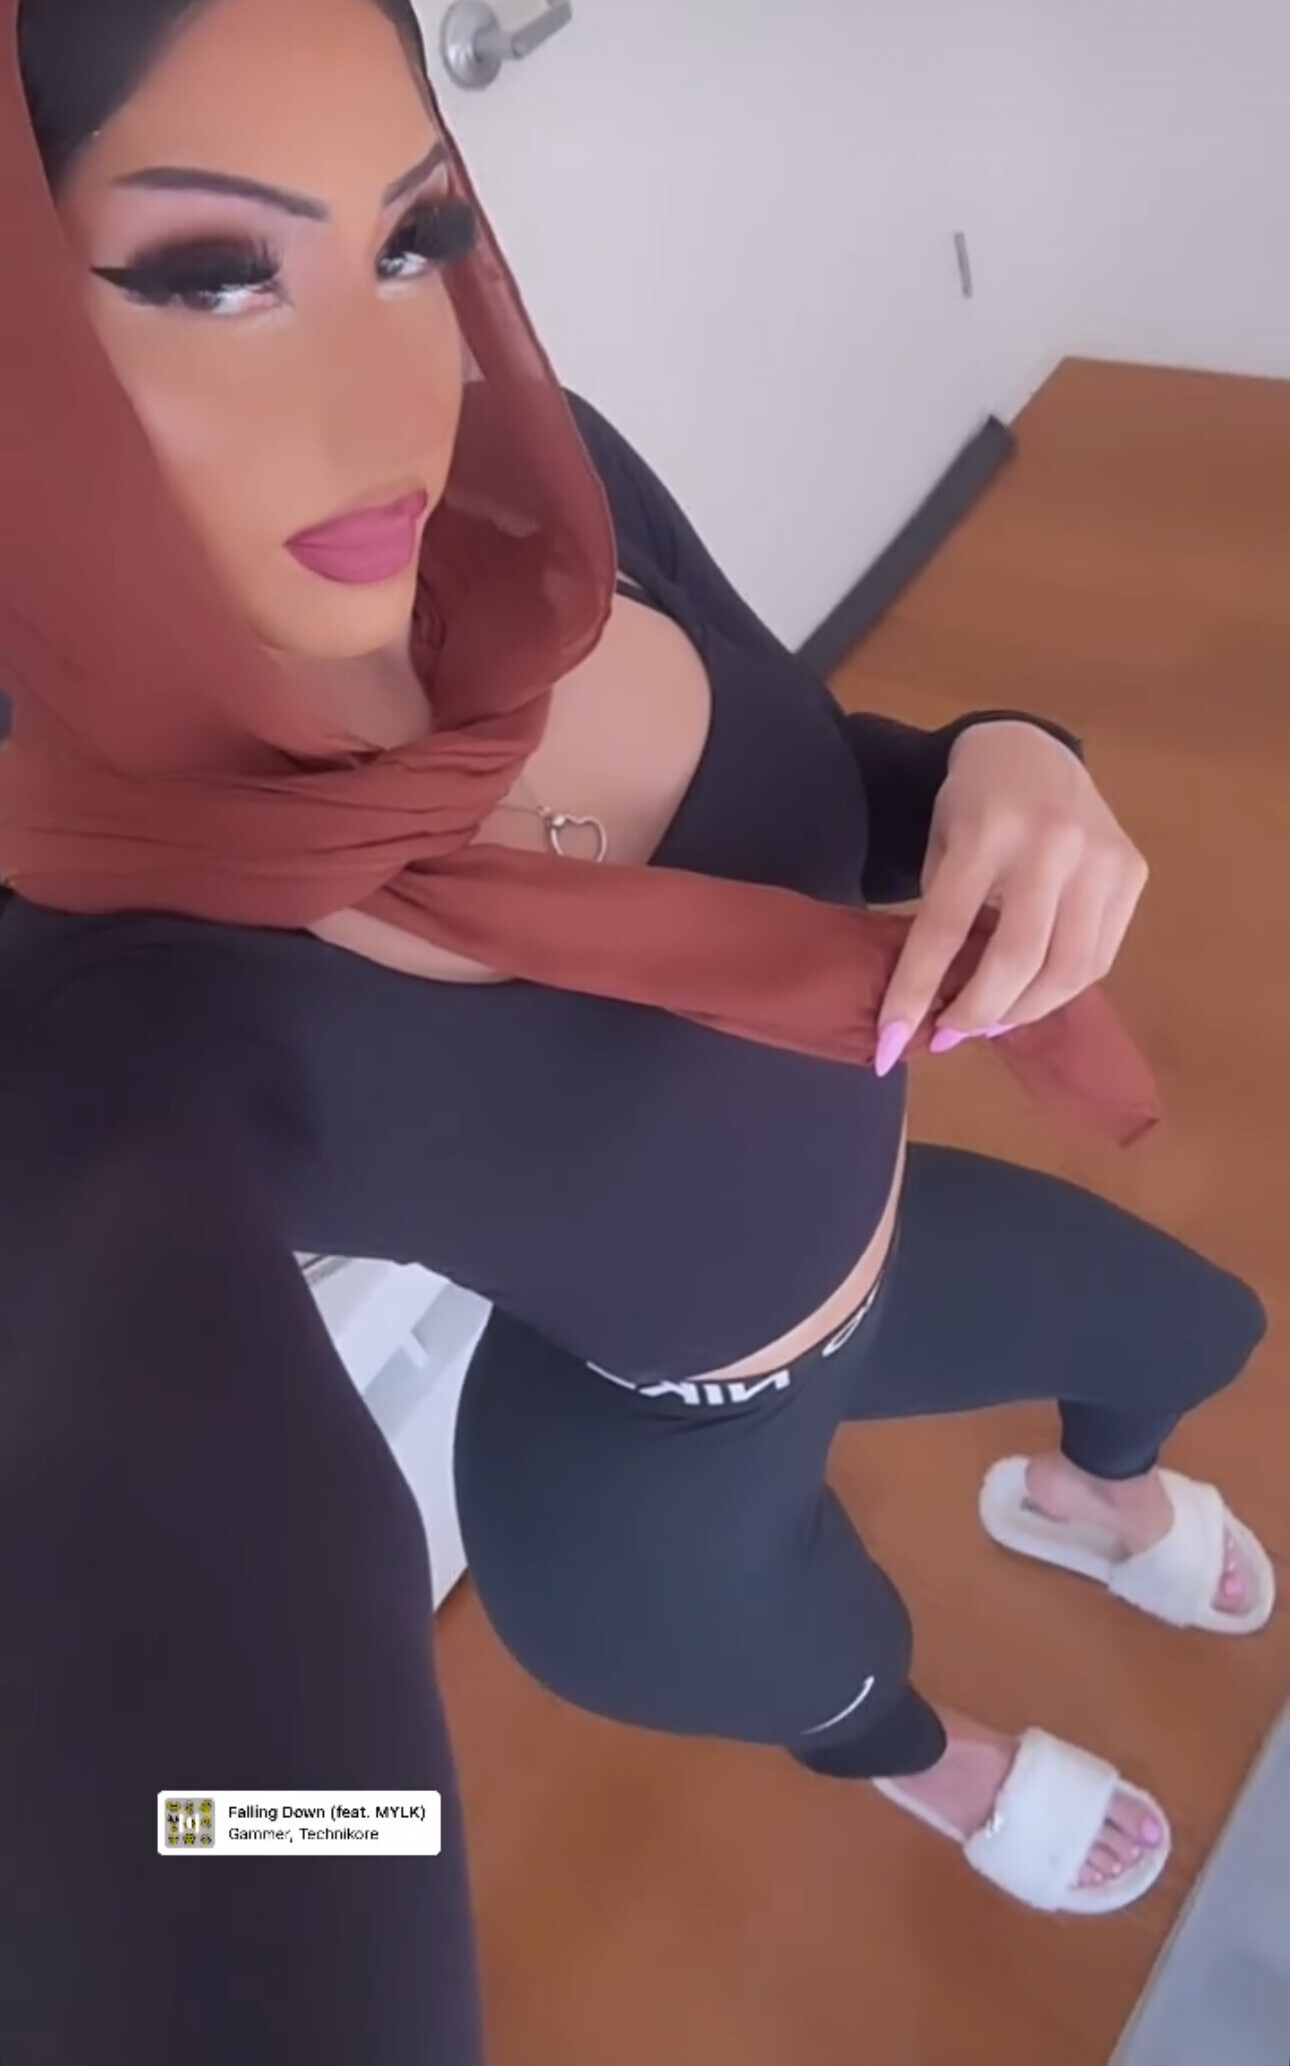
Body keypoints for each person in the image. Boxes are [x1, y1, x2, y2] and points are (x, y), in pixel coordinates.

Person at [0, 0, 1272, 2058]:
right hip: (647, 1487)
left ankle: (1088, 1498)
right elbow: (211, 1811)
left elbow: (827, 781)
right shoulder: (109, 991)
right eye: (211, 273)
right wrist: (272, 1858)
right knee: (835, 1661)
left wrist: (1007, 752)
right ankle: (931, 1768)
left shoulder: (540, 490)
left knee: (1203, 1328)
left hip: (886, 1235)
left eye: (409, 238)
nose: (391, 397)